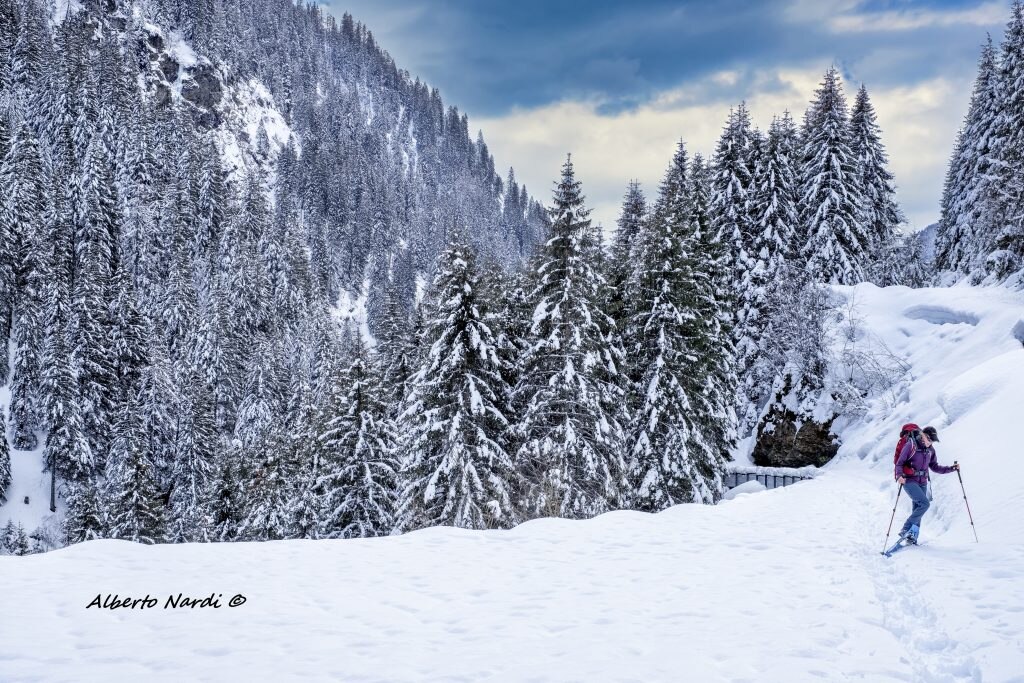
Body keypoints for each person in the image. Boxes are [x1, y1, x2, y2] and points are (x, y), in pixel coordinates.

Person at [894, 426, 959, 543]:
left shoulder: (931, 450)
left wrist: (951, 469)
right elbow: (899, 463)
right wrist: (899, 476)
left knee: (918, 509)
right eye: (930, 440)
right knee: (925, 504)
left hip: (923, 482)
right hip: (909, 480)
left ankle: (912, 537)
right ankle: (906, 529)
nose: (931, 443)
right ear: (923, 435)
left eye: (933, 441)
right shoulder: (911, 445)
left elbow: (935, 467)